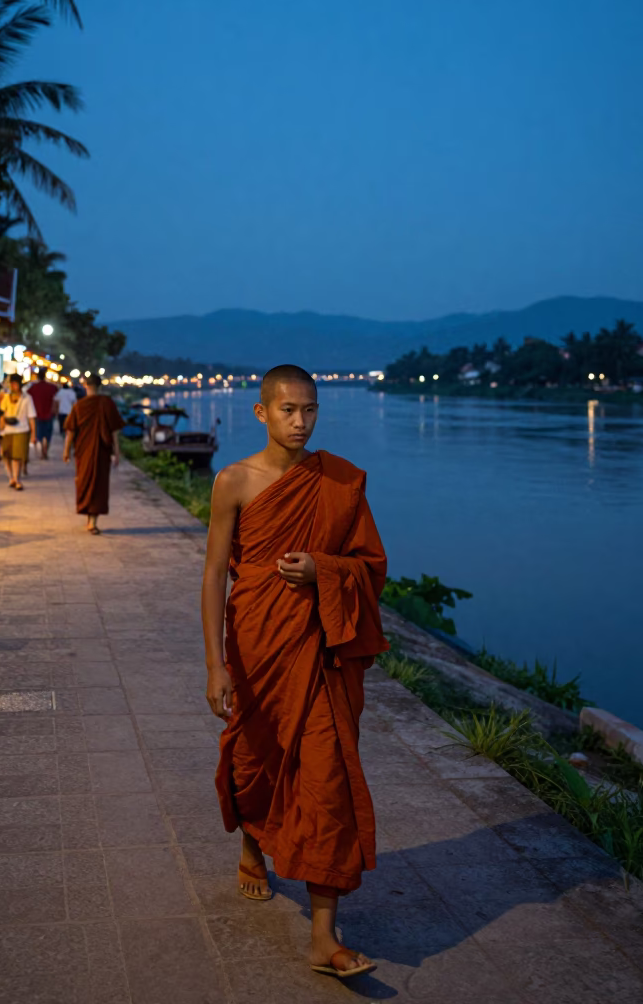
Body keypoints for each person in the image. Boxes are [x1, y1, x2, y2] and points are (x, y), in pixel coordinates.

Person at [201, 364, 388, 979]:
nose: (301, 421)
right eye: (288, 410)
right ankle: (254, 846)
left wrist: (325, 572)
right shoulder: (234, 482)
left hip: (318, 653)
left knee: (325, 778)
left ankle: (323, 937)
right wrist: (215, 664)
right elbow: (212, 578)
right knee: (258, 760)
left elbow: (371, 563)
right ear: (261, 412)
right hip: (255, 646)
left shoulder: (336, 481)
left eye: (310, 410)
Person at [63, 373, 123, 533]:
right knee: (99, 484)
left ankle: (91, 521)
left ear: (85, 386)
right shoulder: (107, 403)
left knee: (84, 481)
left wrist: (66, 451)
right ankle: (92, 520)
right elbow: (114, 431)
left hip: (84, 451)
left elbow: (70, 431)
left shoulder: (79, 406)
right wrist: (117, 452)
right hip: (101, 451)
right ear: (100, 386)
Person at [0, 373, 36, 490]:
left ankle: (17, 479)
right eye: (12, 384)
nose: (13, 386)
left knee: (17, 456)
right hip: (7, 430)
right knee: (6, 455)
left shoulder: (27, 398)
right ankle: (11, 478)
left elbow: (31, 417)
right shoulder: (6, 397)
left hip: (22, 429)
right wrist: (0, 428)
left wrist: (33, 434)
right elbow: (2, 414)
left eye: (15, 384)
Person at [27, 368, 59, 459]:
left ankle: (42, 451)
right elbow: (55, 400)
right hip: (49, 414)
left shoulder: (33, 388)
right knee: (48, 435)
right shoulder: (52, 387)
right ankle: (46, 451)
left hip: (37, 414)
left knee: (39, 435)